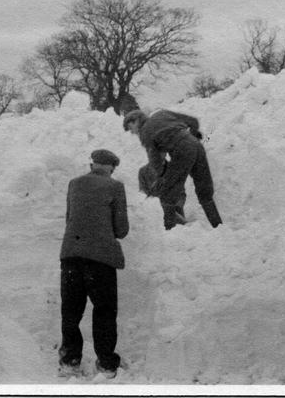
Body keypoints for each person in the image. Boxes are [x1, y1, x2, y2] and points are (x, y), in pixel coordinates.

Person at [58, 149, 129, 379]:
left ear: (92, 165)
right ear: (110, 168)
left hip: (71, 256)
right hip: (100, 259)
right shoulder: (115, 187)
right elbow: (121, 229)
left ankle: (70, 361)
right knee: (105, 311)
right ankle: (107, 364)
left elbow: (70, 217)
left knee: (71, 311)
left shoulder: (74, 184)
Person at [123, 109, 222, 230]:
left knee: (166, 194)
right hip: (196, 145)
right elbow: (193, 121)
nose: (133, 132)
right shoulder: (162, 114)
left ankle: (171, 232)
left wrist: (162, 176)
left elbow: (155, 159)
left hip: (181, 152)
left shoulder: (145, 132)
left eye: (131, 127)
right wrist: (193, 135)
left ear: (137, 120)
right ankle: (218, 227)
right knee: (204, 192)